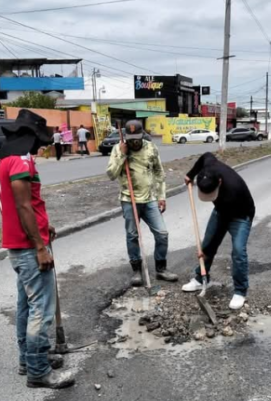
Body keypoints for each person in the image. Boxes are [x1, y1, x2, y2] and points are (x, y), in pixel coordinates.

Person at [0, 109, 73, 389]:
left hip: (20, 243)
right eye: (39, 141)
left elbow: (27, 207)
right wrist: (39, 245)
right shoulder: (21, 162)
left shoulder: (5, 161)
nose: (41, 146)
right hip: (28, 248)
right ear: (30, 137)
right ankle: (38, 371)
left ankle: (28, 360)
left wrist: (43, 228)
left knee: (26, 306)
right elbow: (23, 205)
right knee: (41, 308)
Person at [106, 120, 179, 286]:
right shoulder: (118, 149)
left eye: (137, 138)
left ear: (142, 135)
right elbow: (111, 174)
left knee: (162, 233)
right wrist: (123, 155)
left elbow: (159, 172)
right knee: (132, 235)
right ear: (125, 137)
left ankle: (161, 268)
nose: (134, 142)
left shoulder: (151, 148)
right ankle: (136, 270)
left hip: (150, 199)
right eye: (131, 139)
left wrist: (161, 196)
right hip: (128, 199)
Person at [182, 152, 256, 311]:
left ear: (220, 182)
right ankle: (201, 278)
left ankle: (240, 291)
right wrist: (191, 174)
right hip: (221, 211)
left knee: (238, 251)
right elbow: (206, 155)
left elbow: (226, 219)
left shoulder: (233, 188)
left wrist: (212, 242)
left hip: (240, 215)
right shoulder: (209, 166)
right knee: (208, 244)